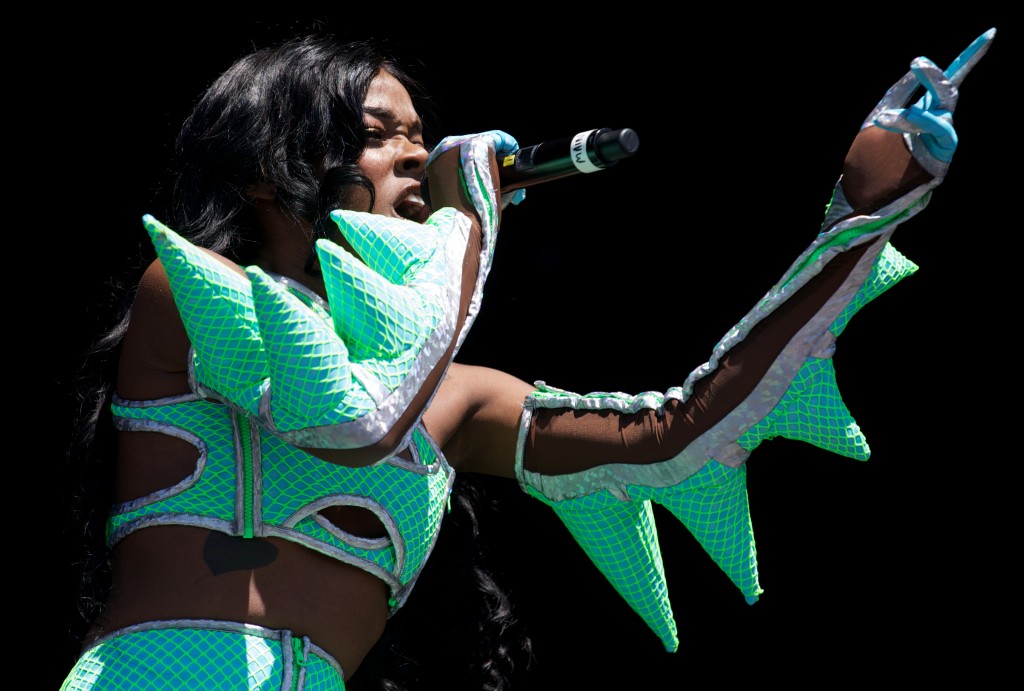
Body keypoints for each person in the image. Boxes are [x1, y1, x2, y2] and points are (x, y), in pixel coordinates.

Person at [59, 26, 996, 690]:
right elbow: (348, 413)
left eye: (423, 143)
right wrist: (470, 222)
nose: (416, 163)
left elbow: (685, 432)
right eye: (380, 136)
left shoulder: (456, 396)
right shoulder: (186, 291)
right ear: (272, 166)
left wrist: (864, 215)